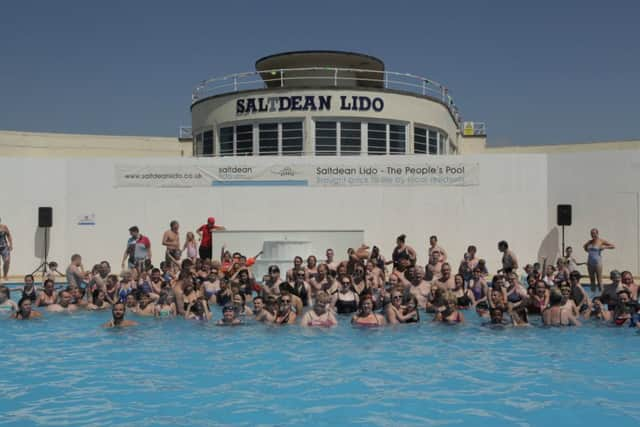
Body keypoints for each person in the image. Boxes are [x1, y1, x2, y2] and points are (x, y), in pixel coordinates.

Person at [583, 228, 615, 292]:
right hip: (590, 262)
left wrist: (605, 247)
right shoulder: (590, 242)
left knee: (599, 279)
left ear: (597, 233)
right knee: (592, 279)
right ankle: (593, 294)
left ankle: (601, 295)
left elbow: (613, 246)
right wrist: (586, 247)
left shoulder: (601, 241)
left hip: (597, 262)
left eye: (594, 233)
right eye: (591, 233)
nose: (593, 234)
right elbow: (585, 249)